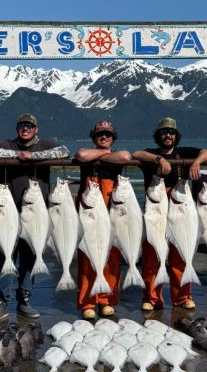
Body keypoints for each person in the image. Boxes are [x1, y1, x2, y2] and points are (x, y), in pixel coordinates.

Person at [0, 113, 70, 323]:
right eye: (21, 125)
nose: (25, 128)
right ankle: (2, 303)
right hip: (8, 213)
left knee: (30, 256)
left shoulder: (46, 145)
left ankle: (24, 301)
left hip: (36, 214)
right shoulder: (8, 145)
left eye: (29, 125)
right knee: (4, 256)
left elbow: (65, 151)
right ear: (17, 128)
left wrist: (32, 157)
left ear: (36, 129)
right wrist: (17, 154)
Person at [133, 117, 207, 312]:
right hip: (156, 207)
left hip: (181, 207)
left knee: (180, 253)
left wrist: (196, 163)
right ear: (158, 136)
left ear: (176, 136)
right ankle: (151, 298)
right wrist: (159, 159)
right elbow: (136, 153)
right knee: (152, 254)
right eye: (164, 133)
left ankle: (183, 296)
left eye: (171, 133)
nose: (168, 135)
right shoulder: (151, 154)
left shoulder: (184, 153)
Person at [74, 120, 131, 320]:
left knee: (112, 255)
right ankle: (87, 302)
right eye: (100, 135)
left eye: (107, 134)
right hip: (89, 209)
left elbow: (125, 156)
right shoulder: (87, 153)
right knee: (87, 254)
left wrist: (101, 155)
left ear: (113, 137)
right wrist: (106, 154)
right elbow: (81, 155)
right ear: (93, 137)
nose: (104, 137)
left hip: (112, 207)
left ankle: (107, 300)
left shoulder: (118, 153)